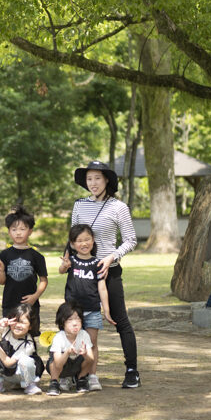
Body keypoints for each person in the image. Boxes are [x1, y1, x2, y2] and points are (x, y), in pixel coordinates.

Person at [71, 160, 140, 389]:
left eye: (97, 178)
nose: (93, 183)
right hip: (83, 273)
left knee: (121, 321)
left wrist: (112, 257)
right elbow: (73, 238)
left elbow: (131, 240)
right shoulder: (79, 205)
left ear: (107, 179)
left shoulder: (118, 207)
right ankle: (80, 374)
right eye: (89, 179)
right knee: (77, 324)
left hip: (109, 272)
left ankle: (132, 371)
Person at [59, 224, 116, 393]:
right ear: (72, 244)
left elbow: (102, 288)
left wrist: (106, 310)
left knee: (91, 344)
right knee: (70, 343)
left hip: (92, 310)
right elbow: (61, 270)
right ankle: (67, 376)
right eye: (79, 241)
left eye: (87, 239)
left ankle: (91, 376)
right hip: (72, 312)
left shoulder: (98, 263)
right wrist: (65, 265)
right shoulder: (72, 261)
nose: (83, 243)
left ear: (93, 240)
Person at [0, 205, 47, 336]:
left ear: (30, 231)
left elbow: (43, 281)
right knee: (9, 335)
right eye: (14, 229)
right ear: (9, 232)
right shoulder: (5, 255)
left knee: (30, 335)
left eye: (22, 229)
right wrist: (0, 271)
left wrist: (35, 297)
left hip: (30, 305)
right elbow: (1, 282)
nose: (18, 232)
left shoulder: (37, 256)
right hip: (10, 303)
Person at [0, 304, 42, 395]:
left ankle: (30, 385)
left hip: (20, 373)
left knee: (26, 361)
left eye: (22, 322)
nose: (18, 325)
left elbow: (9, 363)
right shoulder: (7, 330)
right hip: (7, 373)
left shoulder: (28, 344)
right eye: (16, 321)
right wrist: (0, 322)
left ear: (30, 326)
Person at [46, 302, 95, 396]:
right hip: (62, 367)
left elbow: (91, 359)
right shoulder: (59, 337)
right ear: (62, 322)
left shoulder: (84, 334)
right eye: (70, 320)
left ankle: (81, 379)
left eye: (78, 319)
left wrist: (85, 354)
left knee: (88, 357)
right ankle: (54, 382)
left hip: (76, 366)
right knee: (53, 359)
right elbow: (58, 363)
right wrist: (67, 352)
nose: (75, 323)